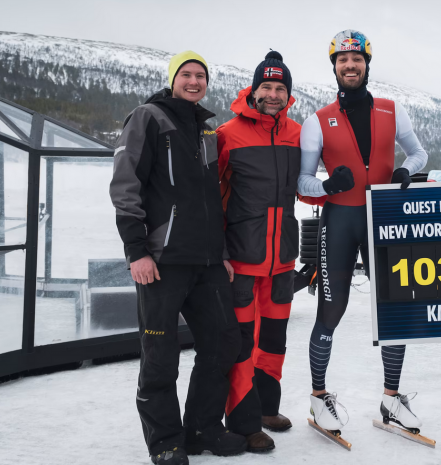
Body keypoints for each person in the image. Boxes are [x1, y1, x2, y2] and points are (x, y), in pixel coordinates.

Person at [110, 50, 246, 465]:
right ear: (173, 80)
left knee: (223, 344)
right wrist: (137, 251)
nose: (193, 81)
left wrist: (220, 252)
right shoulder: (148, 117)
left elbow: (210, 199)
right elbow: (125, 184)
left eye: (200, 75)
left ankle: (203, 428)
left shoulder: (207, 130)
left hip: (206, 263)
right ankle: (165, 440)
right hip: (161, 261)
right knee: (160, 355)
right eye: (186, 74)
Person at [297, 30, 428, 433]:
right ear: (334, 67)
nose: (350, 66)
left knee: (396, 310)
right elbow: (302, 182)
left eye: (356, 59)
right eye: (342, 61)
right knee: (330, 312)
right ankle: (320, 398)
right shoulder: (317, 120)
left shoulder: (392, 110)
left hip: (384, 219)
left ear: (367, 64)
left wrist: (408, 170)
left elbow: (419, 152)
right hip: (339, 220)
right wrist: (326, 187)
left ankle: (391, 399)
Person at [217, 50, 301, 452]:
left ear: (289, 94)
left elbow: (304, 189)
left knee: (274, 341)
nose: (272, 93)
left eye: (279, 87)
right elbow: (212, 196)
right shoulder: (227, 133)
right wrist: (219, 251)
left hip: (282, 259)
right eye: (266, 86)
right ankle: (244, 422)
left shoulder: (297, 134)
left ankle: (268, 409)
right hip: (242, 259)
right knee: (243, 344)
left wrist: (333, 185)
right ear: (253, 90)